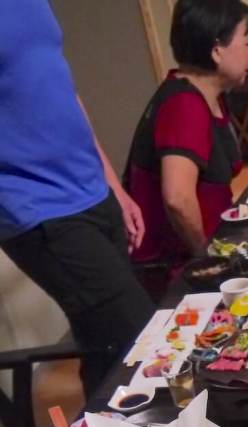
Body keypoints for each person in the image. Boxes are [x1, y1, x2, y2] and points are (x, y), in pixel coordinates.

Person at [0, 0, 155, 394]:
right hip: (37, 207)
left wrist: (112, 184)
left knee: (105, 351)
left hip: (91, 188)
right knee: (145, 343)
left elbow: (63, 90)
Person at [125, 0, 248, 268]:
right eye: (246, 42)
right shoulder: (184, 105)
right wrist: (206, 257)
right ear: (217, 50)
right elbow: (178, 199)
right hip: (172, 268)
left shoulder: (210, 96)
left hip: (213, 243)